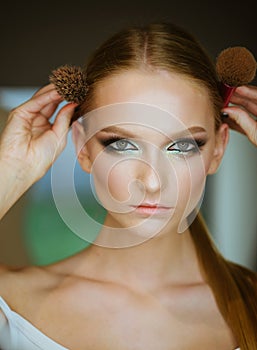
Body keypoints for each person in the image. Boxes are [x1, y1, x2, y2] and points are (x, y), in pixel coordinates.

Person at [0, 22, 257, 350]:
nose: (151, 182)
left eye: (181, 146)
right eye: (121, 144)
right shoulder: (10, 301)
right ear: (83, 147)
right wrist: (10, 172)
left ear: (217, 150)